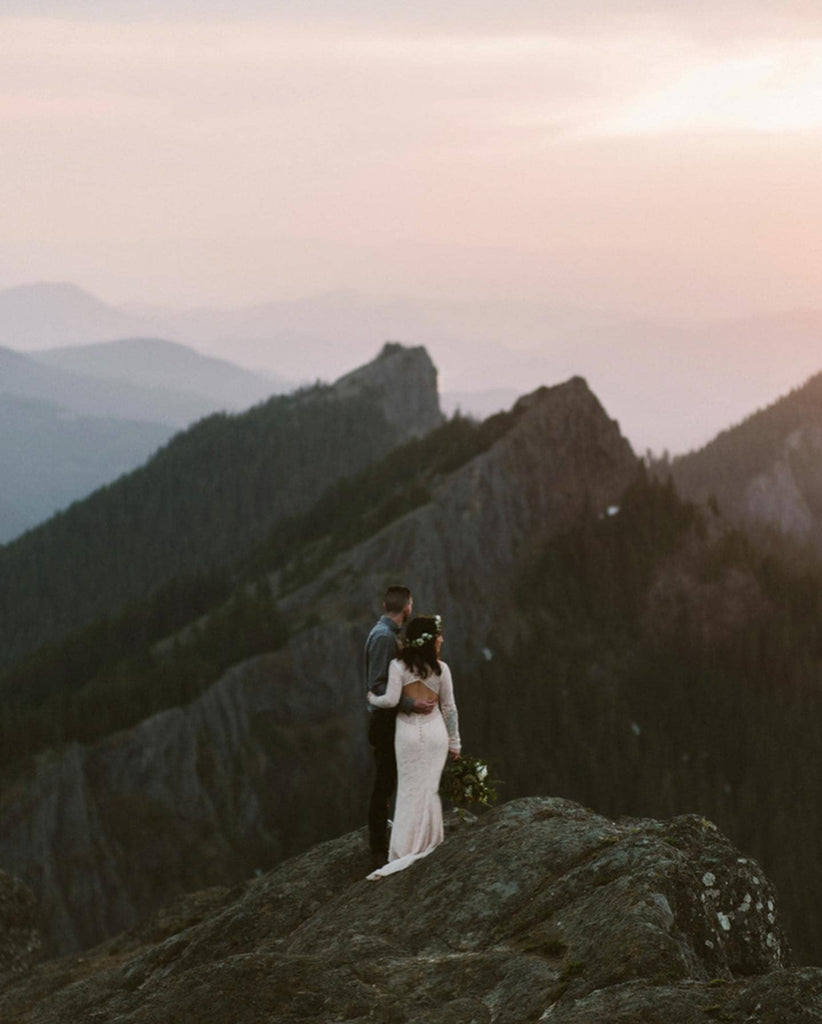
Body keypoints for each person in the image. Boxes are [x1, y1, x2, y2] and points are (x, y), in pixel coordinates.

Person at [366, 613, 460, 879]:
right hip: (434, 734)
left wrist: (373, 696)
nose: (442, 639)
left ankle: (404, 847)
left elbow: (390, 699)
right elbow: (450, 708)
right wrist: (455, 742)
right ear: (430, 640)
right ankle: (430, 839)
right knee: (428, 788)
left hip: (406, 734)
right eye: (439, 635)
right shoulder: (442, 669)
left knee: (408, 790)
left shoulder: (397, 666)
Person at [365, 586, 436, 868]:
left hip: (388, 722)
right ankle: (380, 849)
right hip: (385, 723)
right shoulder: (384, 638)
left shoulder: (386, 635)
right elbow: (379, 687)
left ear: (385, 605)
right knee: (385, 784)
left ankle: (393, 838)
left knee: (395, 780)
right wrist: (411, 705)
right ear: (406, 608)